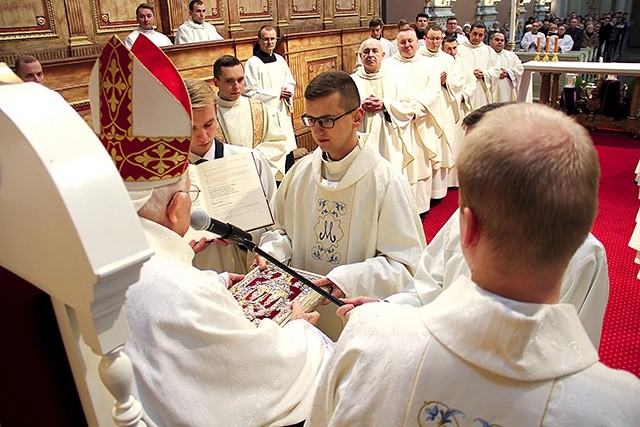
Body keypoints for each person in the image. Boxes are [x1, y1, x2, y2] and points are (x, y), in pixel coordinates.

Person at [308, 103, 640, 426]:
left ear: (470, 229)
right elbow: (428, 286)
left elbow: (576, 340)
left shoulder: (367, 340)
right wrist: (389, 306)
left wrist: (383, 320)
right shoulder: (620, 407)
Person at [89, 35, 333, 426]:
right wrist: (298, 333)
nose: (201, 136)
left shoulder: (102, 260)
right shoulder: (187, 288)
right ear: (178, 208)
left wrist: (216, 282)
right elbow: (256, 367)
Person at [256, 70, 426, 339]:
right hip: (298, 316)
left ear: (356, 117)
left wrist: (347, 279)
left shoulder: (386, 181)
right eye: (311, 119)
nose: (316, 130)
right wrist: (272, 251)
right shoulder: (300, 174)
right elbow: (283, 232)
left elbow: (406, 267)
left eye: (327, 120)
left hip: (352, 320)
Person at [183, 77, 277, 274]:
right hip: (198, 273)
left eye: (209, 124)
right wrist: (181, 251)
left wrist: (243, 235)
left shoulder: (250, 159)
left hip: (247, 267)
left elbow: (276, 225)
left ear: (216, 112)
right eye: (192, 128)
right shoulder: (170, 175)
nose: (203, 136)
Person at [385, 28, 444, 214]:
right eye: (402, 42)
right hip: (397, 124)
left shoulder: (428, 65)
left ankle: (420, 208)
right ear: (397, 44)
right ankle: (399, 209)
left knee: (420, 164)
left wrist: (412, 111)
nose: (407, 45)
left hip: (420, 122)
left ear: (417, 42)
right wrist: (399, 111)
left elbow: (434, 93)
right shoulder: (387, 66)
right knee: (400, 165)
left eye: (410, 41)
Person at [212, 55, 290, 180]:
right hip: (226, 180)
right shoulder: (209, 113)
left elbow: (278, 142)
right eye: (229, 81)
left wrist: (252, 158)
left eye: (240, 80)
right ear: (216, 82)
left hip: (257, 177)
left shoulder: (257, 107)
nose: (236, 86)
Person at [244, 25, 298, 169]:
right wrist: (276, 94)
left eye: (273, 39)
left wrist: (287, 90)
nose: (270, 42)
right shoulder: (252, 63)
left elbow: (290, 80)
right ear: (259, 40)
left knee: (287, 150)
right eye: (266, 39)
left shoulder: (280, 60)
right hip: (267, 114)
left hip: (282, 111)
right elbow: (249, 92)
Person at [418, 24, 460, 201]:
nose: (435, 42)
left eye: (438, 39)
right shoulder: (417, 58)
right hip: (426, 110)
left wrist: (446, 82)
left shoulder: (448, 59)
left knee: (442, 143)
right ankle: (425, 192)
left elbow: (458, 81)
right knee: (427, 144)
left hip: (443, 107)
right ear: (425, 39)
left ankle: (439, 190)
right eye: (431, 38)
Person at [441, 35, 476, 187]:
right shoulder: (439, 63)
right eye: (448, 48)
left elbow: (472, 83)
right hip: (444, 109)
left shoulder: (464, 64)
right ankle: (445, 181)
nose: (452, 51)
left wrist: (463, 96)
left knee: (459, 142)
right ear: (443, 48)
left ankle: (457, 178)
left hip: (460, 107)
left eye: (454, 48)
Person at [457, 22, 499, 110]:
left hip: (482, 91)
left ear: (484, 36)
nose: (477, 38)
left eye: (480, 35)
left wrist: (484, 74)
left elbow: (497, 71)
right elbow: (454, 70)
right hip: (465, 89)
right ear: (470, 32)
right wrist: (469, 74)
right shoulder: (459, 49)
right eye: (474, 34)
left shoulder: (489, 51)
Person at [488, 31, 523, 102]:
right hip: (490, 89)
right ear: (490, 41)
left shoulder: (511, 55)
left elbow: (519, 68)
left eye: (502, 40)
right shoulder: (485, 53)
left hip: (506, 91)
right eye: (497, 40)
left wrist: (508, 72)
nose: (500, 42)